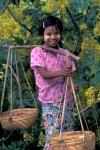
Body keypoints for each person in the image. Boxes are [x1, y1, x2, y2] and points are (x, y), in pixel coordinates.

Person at [30, 16, 78, 150]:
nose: (53, 37)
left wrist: (73, 88)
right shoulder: (37, 52)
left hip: (66, 102)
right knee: (53, 138)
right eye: (48, 34)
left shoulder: (64, 53)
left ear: (60, 34)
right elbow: (44, 74)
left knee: (67, 137)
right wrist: (63, 72)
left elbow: (68, 78)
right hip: (50, 102)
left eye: (56, 33)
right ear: (42, 35)